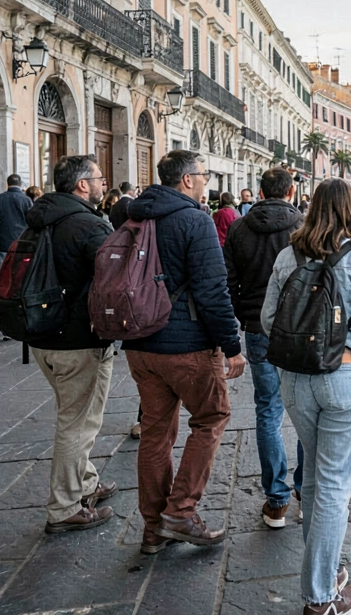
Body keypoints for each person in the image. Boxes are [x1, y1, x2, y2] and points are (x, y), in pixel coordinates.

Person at [260, 178, 351, 614]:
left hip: (297, 380)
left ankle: (328, 570)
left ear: (312, 207)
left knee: (315, 478)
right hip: (346, 378)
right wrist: (348, 341)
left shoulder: (288, 255)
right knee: (334, 484)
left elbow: (268, 321)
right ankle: (320, 598)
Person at [122, 150, 244, 554]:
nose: (207, 180)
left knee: (155, 433)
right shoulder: (195, 220)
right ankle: (181, 512)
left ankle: (153, 528)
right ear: (187, 179)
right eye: (204, 174)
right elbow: (212, 290)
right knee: (212, 418)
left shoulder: (134, 216)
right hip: (187, 344)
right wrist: (232, 346)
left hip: (140, 343)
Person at [27, 155, 119, 533]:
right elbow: (115, 277)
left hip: (40, 335)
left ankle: (85, 482)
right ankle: (64, 507)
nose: (102, 184)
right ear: (82, 185)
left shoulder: (39, 217)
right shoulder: (88, 224)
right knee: (78, 423)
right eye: (98, 178)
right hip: (79, 340)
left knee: (74, 415)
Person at [224, 167, 304, 529]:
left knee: (268, 410)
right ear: (290, 192)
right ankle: (304, 489)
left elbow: (229, 281)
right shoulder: (302, 226)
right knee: (304, 410)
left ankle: (276, 501)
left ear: (259, 192)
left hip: (257, 328)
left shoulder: (239, 228)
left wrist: (242, 316)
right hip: (298, 330)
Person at [0, 174, 33, 270]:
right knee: (21, 274)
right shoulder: (27, 200)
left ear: (7, 184)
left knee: (3, 273)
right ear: (20, 184)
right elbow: (32, 222)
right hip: (22, 243)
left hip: (3, 243)